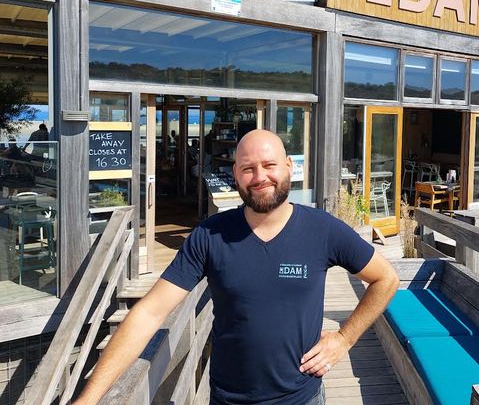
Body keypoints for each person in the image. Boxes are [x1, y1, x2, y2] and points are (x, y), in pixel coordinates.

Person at [74, 129, 399, 405]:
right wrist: (87, 400)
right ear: (235, 175)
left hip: (302, 398)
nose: (260, 177)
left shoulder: (322, 230)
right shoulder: (210, 235)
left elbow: (385, 278)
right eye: (248, 168)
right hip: (228, 399)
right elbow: (149, 313)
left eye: (269, 165)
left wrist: (344, 338)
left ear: (289, 167)